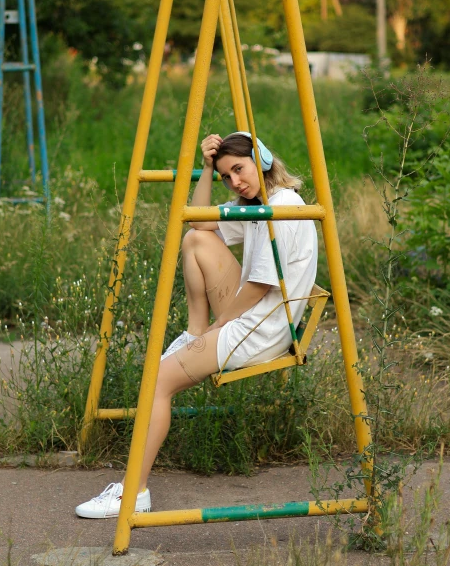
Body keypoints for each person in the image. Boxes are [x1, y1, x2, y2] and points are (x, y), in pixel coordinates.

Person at [75, 132, 318, 519]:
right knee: (195, 241)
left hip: (259, 330)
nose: (235, 182)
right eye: (227, 176)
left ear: (264, 160)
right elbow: (200, 223)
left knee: (157, 382)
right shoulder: (259, 204)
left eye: (239, 169)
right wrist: (205, 169)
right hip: (257, 317)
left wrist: (219, 326)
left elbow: (256, 287)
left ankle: (133, 493)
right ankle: (194, 330)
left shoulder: (282, 208)